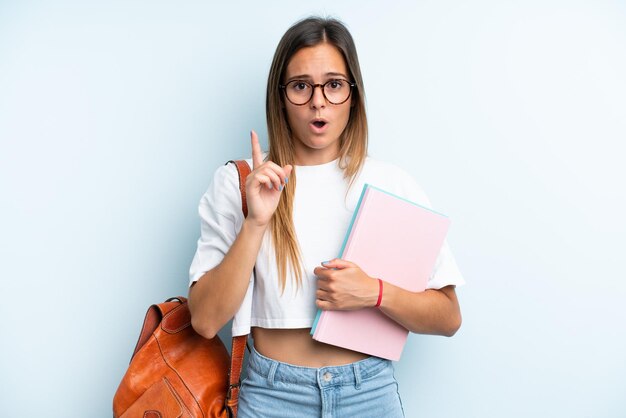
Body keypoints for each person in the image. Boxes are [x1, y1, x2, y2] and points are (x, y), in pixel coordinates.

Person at [188, 16, 464, 418]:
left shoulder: (390, 183)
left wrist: (375, 292)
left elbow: (448, 316)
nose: (318, 101)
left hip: (368, 392)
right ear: (280, 97)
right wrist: (256, 223)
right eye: (301, 86)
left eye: (333, 85)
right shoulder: (240, 183)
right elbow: (205, 321)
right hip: (272, 397)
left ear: (353, 95)